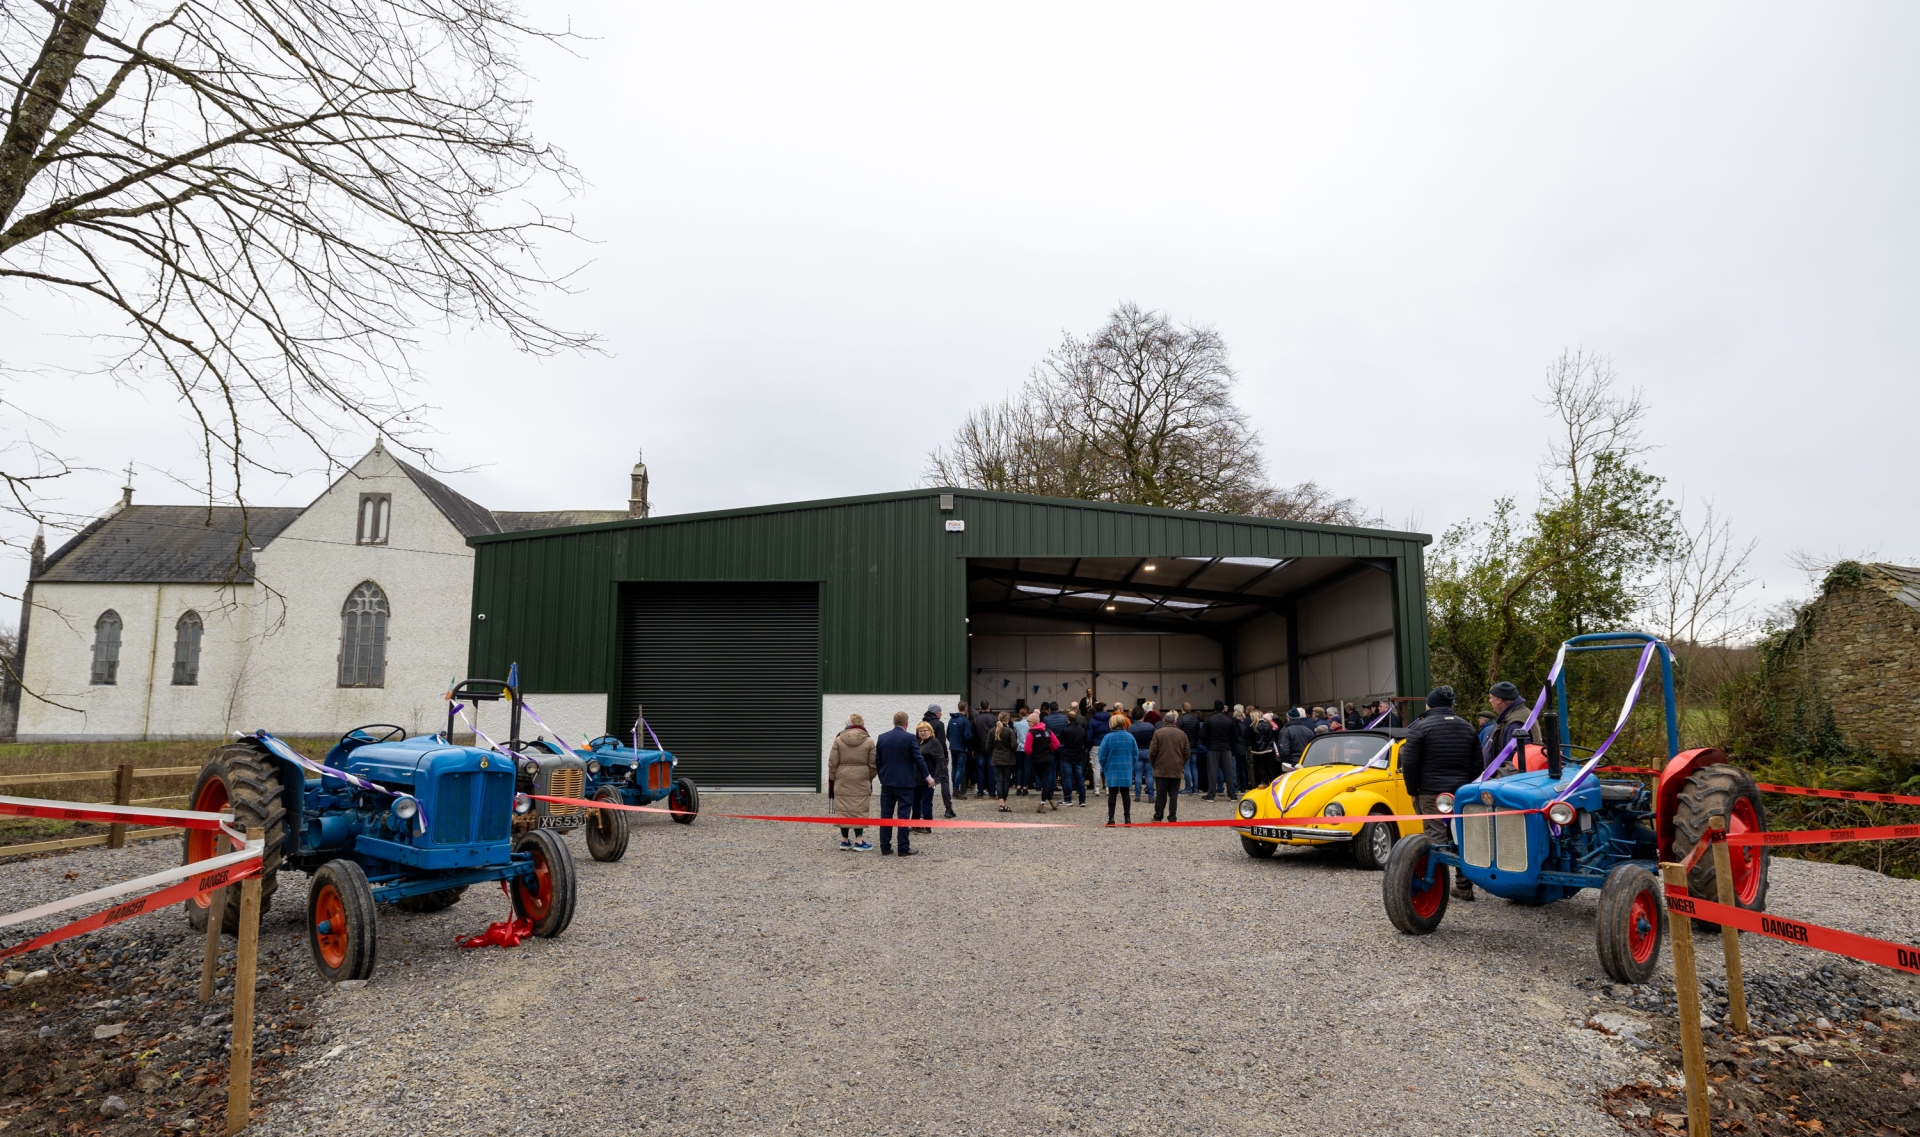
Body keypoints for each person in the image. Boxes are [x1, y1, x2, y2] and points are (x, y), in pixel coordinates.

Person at [1397, 686, 1484, 900]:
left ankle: (1436, 887)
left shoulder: (1420, 728)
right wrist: (1467, 787)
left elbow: (1409, 764)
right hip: (1462, 793)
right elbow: (1477, 764)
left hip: (1431, 792)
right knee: (1462, 836)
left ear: (1429, 704)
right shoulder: (1468, 727)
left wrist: (1412, 791)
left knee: (1435, 837)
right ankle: (1464, 886)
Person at [874, 710, 934, 857]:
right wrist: (928, 777)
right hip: (904, 783)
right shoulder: (910, 738)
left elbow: (877, 761)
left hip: (887, 782)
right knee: (903, 814)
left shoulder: (882, 737)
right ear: (906, 723)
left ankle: (885, 846)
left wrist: (882, 777)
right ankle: (903, 847)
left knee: (886, 814)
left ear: (894, 722)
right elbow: (918, 759)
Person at [827, 713, 876, 851]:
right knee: (859, 808)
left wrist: (834, 778)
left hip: (842, 779)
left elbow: (832, 763)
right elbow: (873, 765)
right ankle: (859, 841)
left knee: (843, 809)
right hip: (861, 779)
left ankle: (844, 841)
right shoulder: (869, 741)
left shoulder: (838, 740)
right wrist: (868, 777)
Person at [1484, 680, 1542, 773]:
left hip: (1507, 777)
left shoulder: (1514, 723)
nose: (1489, 701)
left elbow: (1514, 760)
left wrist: (1499, 775)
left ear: (1499, 700)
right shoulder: (1516, 714)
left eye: (1491, 698)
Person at [1148, 714, 1190, 822]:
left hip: (1161, 768)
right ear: (1175, 721)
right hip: (1176, 767)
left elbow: (1152, 751)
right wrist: (1181, 763)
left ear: (1164, 721)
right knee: (1174, 794)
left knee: (1160, 795)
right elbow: (1187, 752)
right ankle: (1172, 817)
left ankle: (1158, 816)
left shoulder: (1158, 733)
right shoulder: (1182, 734)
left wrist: (1154, 764)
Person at [1098, 712, 1138, 826]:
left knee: (1112, 793)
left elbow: (1101, 756)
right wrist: (1131, 767)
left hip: (1111, 768)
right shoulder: (1130, 737)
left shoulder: (1107, 737)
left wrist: (1104, 768)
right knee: (1125, 793)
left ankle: (1111, 819)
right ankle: (1127, 818)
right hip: (1126, 768)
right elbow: (1135, 754)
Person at [920, 704, 953, 824]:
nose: (941, 713)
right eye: (940, 711)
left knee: (924, 783)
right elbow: (942, 742)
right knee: (944, 781)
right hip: (938, 757)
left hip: (925, 757)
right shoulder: (939, 724)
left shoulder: (922, 724)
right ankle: (948, 809)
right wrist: (945, 756)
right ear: (936, 712)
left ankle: (922, 810)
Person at [1201, 700, 1239, 800]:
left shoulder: (1209, 720)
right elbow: (1235, 736)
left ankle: (1211, 795)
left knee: (1212, 772)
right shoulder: (1229, 720)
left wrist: (1208, 744)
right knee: (1229, 772)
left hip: (1213, 748)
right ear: (1223, 708)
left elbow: (1203, 735)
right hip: (1226, 748)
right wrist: (1229, 744)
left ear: (1214, 708)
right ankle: (1232, 794)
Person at [1024, 710, 1060, 812]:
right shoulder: (1048, 731)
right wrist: (1049, 750)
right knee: (1045, 780)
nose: (1028, 723)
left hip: (1036, 759)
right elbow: (1056, 744)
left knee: (1044, 781)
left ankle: (1042, 803)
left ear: (1034, 722)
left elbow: (1027, 749)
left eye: (1029, 722)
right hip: (1047, 758)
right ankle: (1051, 801)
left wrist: (1032, 754)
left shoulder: (1031, 733)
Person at [915, 720, 947, 832]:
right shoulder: (919, 742)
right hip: (916, 779)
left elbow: (940, 761)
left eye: (925, 730)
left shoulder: (934, 743)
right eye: (920, 731)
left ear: (930, 731)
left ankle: (927, 826)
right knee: (915, 803)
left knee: (926, 803)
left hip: (928, 780)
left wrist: (936, 778)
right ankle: (915, 824)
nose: (923, 733)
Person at [1056, 708, 1089, 807]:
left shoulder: (1065, 730)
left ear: (1067, 719)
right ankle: (1082, 800)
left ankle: (1067, 799)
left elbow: (1059, 742)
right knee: (1079, 778)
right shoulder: (1081, 730)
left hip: (1067, 756)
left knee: (1067, 778)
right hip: (1078, 756)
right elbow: (1085, 741)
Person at [989, 711, 1019, 812]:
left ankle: (1001, 803)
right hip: (1008, 759)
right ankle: (1004, 803)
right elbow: (1014, 746)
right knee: (1006, 780)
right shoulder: (1010, 731)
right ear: (1007, 719)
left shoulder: (992, 731)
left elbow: (988, 746)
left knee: (999, 780)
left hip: (996, 758)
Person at [1128, 709, 1158, 803]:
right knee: (1149, 774)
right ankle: (1151, 796)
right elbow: (1154, 739)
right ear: (1143, 715)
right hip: (1148, 750)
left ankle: (1137, 796)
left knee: (1138, 774)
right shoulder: (1150, 726)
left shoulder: (1131, 728)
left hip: (1137, 751)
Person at [947, 701, 975, 798]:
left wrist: (953, 742)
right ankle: (956, 790)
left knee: (954, 768)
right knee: (960, 769)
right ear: (966, 708)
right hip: (962, 748)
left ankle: (954, 789)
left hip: (953, 747)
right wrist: (969, 746)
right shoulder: (964, 720)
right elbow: (968, 736)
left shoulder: (951, 719)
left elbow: (948, 734)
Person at [971, 702, 998, 799]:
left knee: (980, 771)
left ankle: (980, 793)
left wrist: (973, 748)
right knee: (991, 770)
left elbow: (973, 735)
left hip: (979, 748)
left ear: (980, 707)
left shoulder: (976, 719)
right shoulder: (995, 718)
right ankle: (992, 793)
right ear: (989, 707)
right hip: (991, 748)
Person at [1176, 702, 1203, 795]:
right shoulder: (1195, 720)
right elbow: (1198, 733)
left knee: (1186, 767)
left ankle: (1188, 787)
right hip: (1194, 745)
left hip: (1185, 747)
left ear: (1182, 709)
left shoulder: (1181, 719)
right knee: (1194, 767)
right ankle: (1195, 787)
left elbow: (1178, 733)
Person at [1249, 711, 1280, 785]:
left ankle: (1263, 783)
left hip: (1257, 751)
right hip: (1269, 749)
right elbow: (1276, 737)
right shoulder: (1269, 725)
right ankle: (1273, 783)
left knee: (1260, 768)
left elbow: (1250, 738)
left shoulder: (1253, 726)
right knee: (1270, 768)